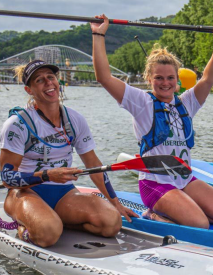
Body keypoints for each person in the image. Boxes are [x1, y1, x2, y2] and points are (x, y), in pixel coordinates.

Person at [91, 14, 213, 229]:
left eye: (170, 78)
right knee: (200, 224)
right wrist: (98, 34)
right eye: (159, 78)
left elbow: (208, 78)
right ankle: (153, 214)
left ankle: (180, 209)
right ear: (149, 79)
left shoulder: (187, 103)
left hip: (184, 179)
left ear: (177, 81)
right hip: (154, 184)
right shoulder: (141, 102)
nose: (165, 83)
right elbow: (103, 77)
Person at [0, 60, 137, 247]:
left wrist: (115, 202)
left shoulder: (74, 119)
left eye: (51, 77)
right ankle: (28, 227)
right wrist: (46, 175)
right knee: (48, 233)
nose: (48, 83)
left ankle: (56, 222)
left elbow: (92, 163)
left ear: (58, 82)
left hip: (63, 194)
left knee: (111, 223)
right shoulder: (17, 124)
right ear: (29, 90)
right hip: (25, 193)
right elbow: (7, 178)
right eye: (39, 80)